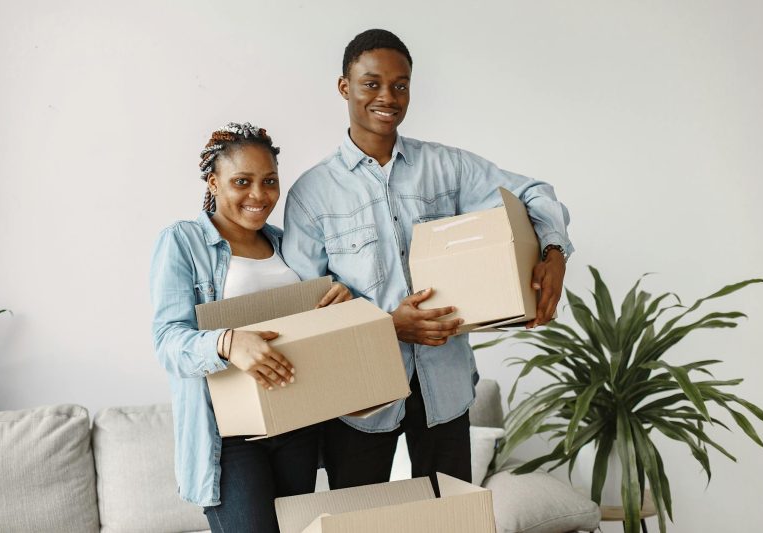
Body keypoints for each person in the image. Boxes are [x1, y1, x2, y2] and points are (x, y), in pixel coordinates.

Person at [282, 29, 573, 495]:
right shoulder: (311, 194)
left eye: (401, 85)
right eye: (371, 83)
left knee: (452, 519)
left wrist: (553, 253)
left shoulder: (446, 167)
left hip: (445, 387)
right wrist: (386, 325)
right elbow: (305, 308)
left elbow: (534, 192)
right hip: (360, 399)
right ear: (345, 87)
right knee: (361, 526)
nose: (388, 97)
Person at [150, 122, 350, 533]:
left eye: (269, 181)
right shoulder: (183, 242)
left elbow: (313, 322)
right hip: (229, 438)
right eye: (242, 181)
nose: (259, 195)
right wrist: (227, 342)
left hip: (296, 424)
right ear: (214, 181)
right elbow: (168, 341)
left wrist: (339, 302)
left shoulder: (288, 243)